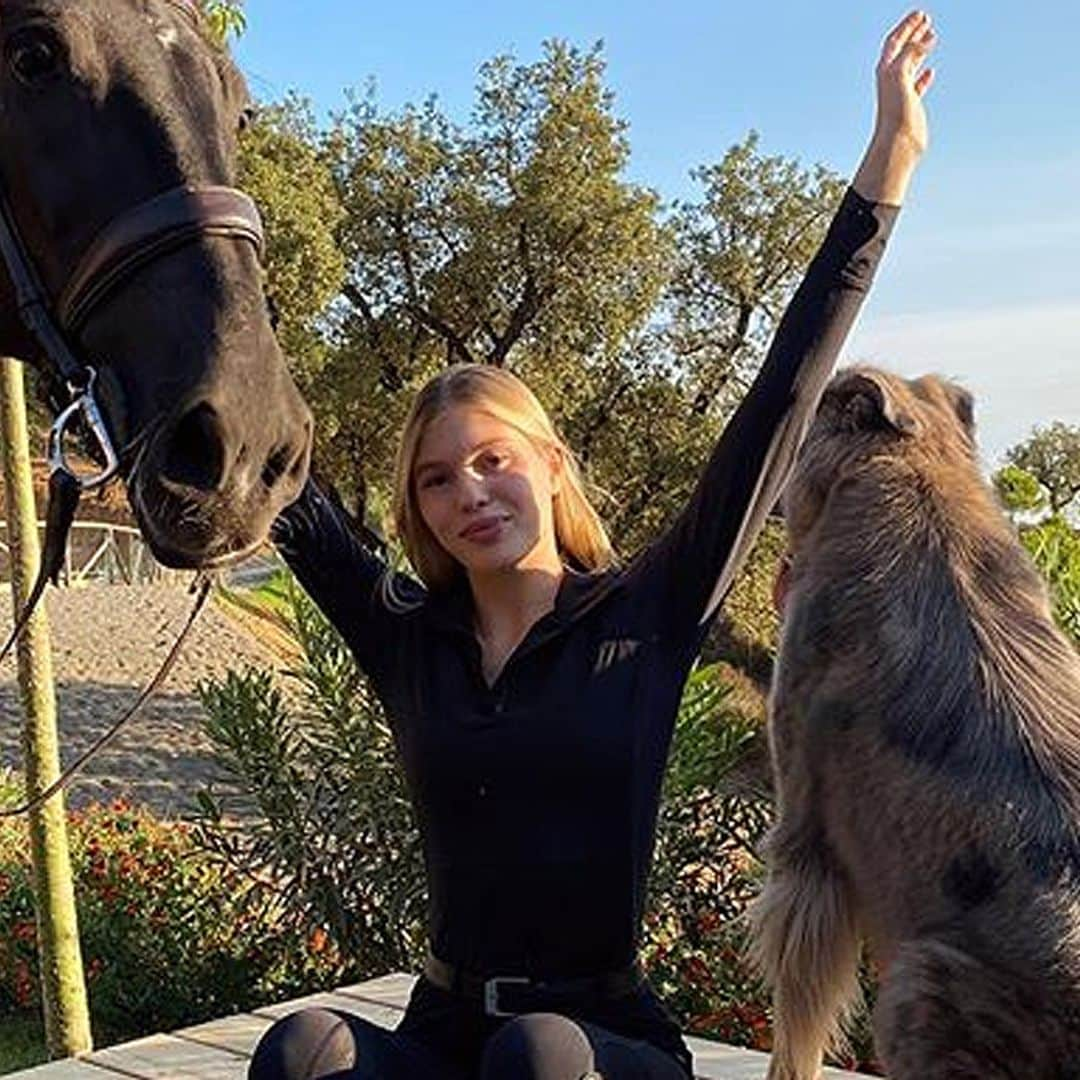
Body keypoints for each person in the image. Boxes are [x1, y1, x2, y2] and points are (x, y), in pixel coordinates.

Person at [249, 11, 936, 1079]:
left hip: (598, 1046)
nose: (469, 493)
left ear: (554, 464)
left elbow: (780, 399)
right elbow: (264, 460)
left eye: (493, 460)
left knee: (538, 1058)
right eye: (436, 479)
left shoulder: (649, 611)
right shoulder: (410, 642)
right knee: (303, 1051)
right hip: (446, 1032)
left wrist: (885, 167)